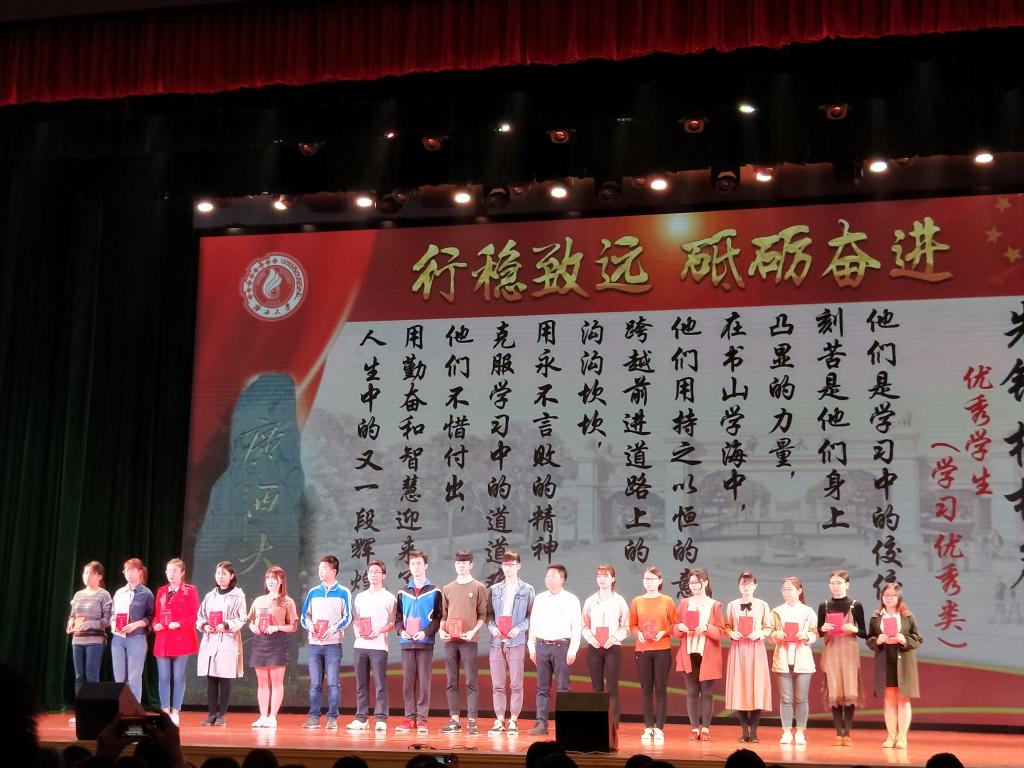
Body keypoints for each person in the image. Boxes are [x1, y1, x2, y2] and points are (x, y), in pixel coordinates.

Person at [527, 563, 582, 736]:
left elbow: (577, 627)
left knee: (563, 688)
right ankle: (541, 723)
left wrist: (573, 650)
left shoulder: (572, 600)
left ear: (562, 579)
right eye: (547, 576)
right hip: (541, 646)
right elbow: (533, 624)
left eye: (553, 576)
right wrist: (532, 648)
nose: (548, 579)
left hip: (561, 647)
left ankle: (565, 725)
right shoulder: (540, 598)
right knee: (542, 688)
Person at [866, 582, 923, 748]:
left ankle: (902, 737)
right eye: (885, 595)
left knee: (903, 699)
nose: (888, 598)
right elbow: (869, 639)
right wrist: (878, 640)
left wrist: (904, 640)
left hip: (903, 660)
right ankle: (891, 736)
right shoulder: (876, 617)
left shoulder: (906, 616)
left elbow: (918, 638)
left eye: (892, 595)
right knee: (889, 700)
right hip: (885, 660)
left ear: (899, 597)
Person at [300, 555, 353, 731]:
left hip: (333, 644)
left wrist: (333, 629)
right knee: (315, 683)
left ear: (334, 571)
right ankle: (314, 716)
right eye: (319, 569)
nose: (320, 572)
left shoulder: (343, 592)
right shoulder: (313, 592)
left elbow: (348, 617)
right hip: (315, 644)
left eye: (324, 569)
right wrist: (311, 627)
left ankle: (332, 717)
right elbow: (305, 616)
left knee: (332, 682)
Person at [439, 550, 488, 734]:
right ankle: (454, 720)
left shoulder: (479, 587)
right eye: (458, 562)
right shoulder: (447, 588)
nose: (461, 565)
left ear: (471, 565)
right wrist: (441, 631)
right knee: (451, 681)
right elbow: (443, 615)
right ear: (455, 564)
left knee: (471, 681)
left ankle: (472, 720)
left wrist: (473, 631)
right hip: (450, 641)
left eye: (465, 562)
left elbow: (483, 615)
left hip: (469, 641)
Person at [485, 550, 535, 734]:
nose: (508, 568)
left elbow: (531, 616)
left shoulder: (527, 589)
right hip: (497, 641)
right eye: (505, 565)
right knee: (497, 685)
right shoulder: (494, 589)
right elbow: (489, 615)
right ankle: (499, 720)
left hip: (516, 641)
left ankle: (513, 720)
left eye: (511, 565)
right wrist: (492, 628)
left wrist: (519, 628)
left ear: (518, 566)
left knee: (516, 684)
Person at [673, 567, 724, 741]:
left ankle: (706, 729)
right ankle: (695, 728)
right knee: (692, 692)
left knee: (707, 692)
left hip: (707, 654)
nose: (694, 585)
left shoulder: (714, 605)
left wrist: (707, 628)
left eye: (697, 582)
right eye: (691, 582)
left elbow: (720, 632)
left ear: (705, 583)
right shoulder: (684, 603)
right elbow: (675, 628)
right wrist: (680, 627)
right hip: (689, 652)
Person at [817, 569, 867, 745]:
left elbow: (864, 632)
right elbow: (818, 632)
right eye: (832, 583)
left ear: (847, 585)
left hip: (849, 652)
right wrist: (822, 629)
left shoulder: (855, 605)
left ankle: (848, 733)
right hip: (832, 651)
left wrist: (855, 629)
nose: (835, 586)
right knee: (835, 691)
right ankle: (838, 733)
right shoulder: (824, 605)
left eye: (839, 583)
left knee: (850, 690)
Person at [395, 550, 442, 735]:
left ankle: (422, 719)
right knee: (407, 683)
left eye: (419, 563)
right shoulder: (402, 592)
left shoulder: (434, 591)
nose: (416, 567)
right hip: (406, 642)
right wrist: (402, 631)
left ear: (426, 566)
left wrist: (425, 632)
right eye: (413, 564)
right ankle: (409, 718)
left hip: (425, 643)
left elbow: (438, 618)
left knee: (424, 682)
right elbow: (398, 617)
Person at [628, 566, 676, 744]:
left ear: (660, 581)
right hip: (642, 650)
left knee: (661, 689)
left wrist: (664, 632)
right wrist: (638, 633)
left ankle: (659, 728)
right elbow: (632, 624)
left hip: (662, 649)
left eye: (652, 579)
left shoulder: (667, 601)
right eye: (646, 579)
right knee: (646, 689)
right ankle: (648, 727)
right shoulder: (637, 601)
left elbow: (675, 625)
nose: (649, 582)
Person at [247, 565, 299, 728]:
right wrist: (253, 627)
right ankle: (263, 716)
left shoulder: (287, 601)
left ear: (281, 581)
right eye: (268, 578)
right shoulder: (259, 600)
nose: (270, 581)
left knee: (276, 682)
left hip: (277, 642)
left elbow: (293, 627)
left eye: (274, 578)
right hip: (260, 642)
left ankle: (272, 717)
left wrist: (277, 627)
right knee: (262, 682)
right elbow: (251, 620)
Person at [348, 559, 396, 733]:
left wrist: (379, 630)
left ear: (383, 575)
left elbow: (392, 623)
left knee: (380, 683)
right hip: (360, 645)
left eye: (377, 572)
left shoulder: (389, 598)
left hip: (379, 646)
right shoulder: (360, 597)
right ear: (367, 575)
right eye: (371, 572)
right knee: (361, 684)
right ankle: (361, 718)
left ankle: (381, 718)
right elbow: (356, 619)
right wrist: (356, 628)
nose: (373, 575)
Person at [196, 561, 247, 726]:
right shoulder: (210, 595)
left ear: (231, 576)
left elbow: (242, 618)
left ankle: (222, 714)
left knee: (224, 677)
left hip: (227, 639)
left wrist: (226, 624)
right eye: (218, 573)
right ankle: (211, 713)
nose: (220, 576)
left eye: (224, 574)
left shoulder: (238, 595)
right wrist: (205, 625)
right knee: (211, 677)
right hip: (211, 638)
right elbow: (200, 616)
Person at [724, 571, 772, 743]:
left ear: (755, 586)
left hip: (756, 650)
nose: (746, 587)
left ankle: (754, 732)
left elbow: (769, 628)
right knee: (740, 689)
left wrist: (759, 634)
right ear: (739, 586)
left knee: (756, 689)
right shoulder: (732, 605)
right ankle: (744, 731)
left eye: (750, 584)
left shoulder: (763, 605)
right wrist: (731, 633)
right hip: (738, 650)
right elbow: (727, 626)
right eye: (743, 584)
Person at [770, 576, 818, 746]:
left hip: (802, 658)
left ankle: (800, 732)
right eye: (784, 589)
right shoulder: (776, 611)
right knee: (785, 698)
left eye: (790, 589)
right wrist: (776, 635)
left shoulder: (808, 611)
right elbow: (770, 633)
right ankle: (786, 731)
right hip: (782, 658)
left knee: (801, 698)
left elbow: (815, 633)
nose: (787, 592)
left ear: (799, 591)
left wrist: (807, 636)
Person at [582, 564, 630, 730]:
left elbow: (625, 627)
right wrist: (590, 637)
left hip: (612, 648)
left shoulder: (620, 601)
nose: (601, 579)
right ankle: (598, 724)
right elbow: (584, 626)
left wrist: (615, 637)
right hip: (594, 648)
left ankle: (613, 725)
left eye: (605, 576)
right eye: (599, 576)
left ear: (613, 579)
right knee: (597, 688)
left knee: (612, 688)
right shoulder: (590, 601)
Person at [153, 558, 200, 725]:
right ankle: (165, 710)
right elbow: (156, 615)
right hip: (163, 638)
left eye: (174, 570)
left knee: (178, 677)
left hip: (182, 638)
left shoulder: (190, 591)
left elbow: (194, 615)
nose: (171, 574)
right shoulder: (161, 591)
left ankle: (175, 710)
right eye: (168, 571)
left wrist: (179, 623)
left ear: (182, 573)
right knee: (163, 677)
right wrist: (155, 624)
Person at [110, 558, 154, 705]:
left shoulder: (146, 593)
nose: (128, 573)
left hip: (137, 638)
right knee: (119, 677)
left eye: (132, 570)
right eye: (126, 570)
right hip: (118, 638)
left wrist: (136, 624)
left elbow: (150, 616)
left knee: (134, 677)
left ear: (140, 572)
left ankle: (134, 710)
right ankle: (120, 708)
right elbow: (113, 613)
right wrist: (113, 623)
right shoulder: (119, 593)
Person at [67, 561, 113, 697]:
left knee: (91, 676)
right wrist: (70, 623)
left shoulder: (104, 594)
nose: (87, 576)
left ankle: (92, 708)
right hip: (77, 640)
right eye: (86, 573)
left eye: (92, 573)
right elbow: (73, 615)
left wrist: (91, 624)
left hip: (95, 641)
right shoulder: (78, 595)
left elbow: (108, 620)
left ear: (100, 576)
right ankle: (81, 708)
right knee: (79, 676)